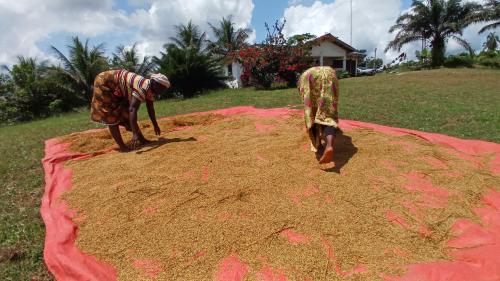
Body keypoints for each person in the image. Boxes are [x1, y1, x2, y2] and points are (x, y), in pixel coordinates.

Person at [90, 70, 171, 151]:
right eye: (162, 88)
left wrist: (155, 125)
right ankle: (122, 146)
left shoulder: (151, 90)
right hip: (105, 81)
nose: (162, 92)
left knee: (125, 112)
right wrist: (135, 134)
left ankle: (142, 140)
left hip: (117, 86)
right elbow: (132, 109)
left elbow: (150, 109)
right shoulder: (143, 87)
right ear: (155, 84)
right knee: (111, 115)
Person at [298, 66, 339, 164]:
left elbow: (303, 93)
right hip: (331, 74)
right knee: (328, 114)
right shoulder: (329, 70)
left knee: (311, 113)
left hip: (309, 77)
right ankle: (329, 146)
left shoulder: (303, 76)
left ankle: (319, 145)